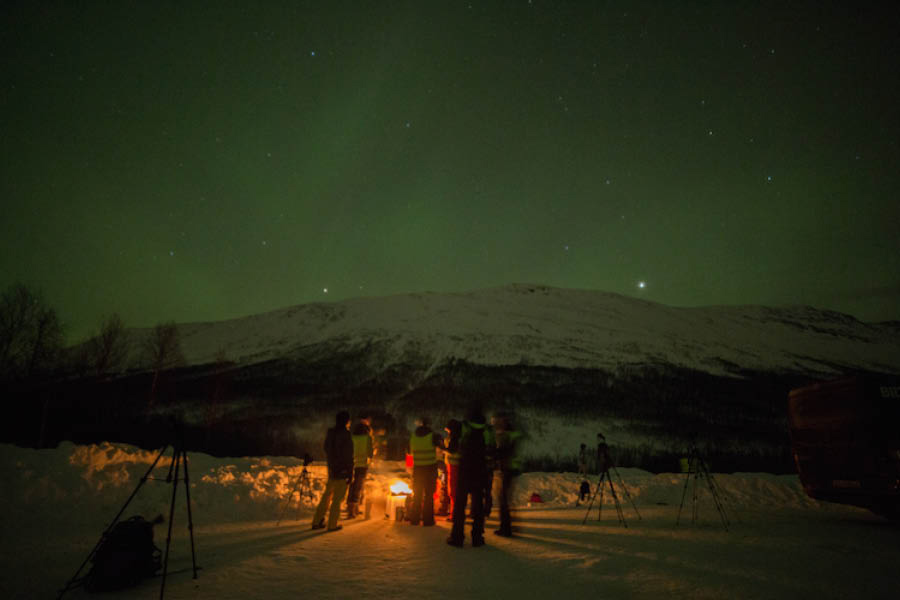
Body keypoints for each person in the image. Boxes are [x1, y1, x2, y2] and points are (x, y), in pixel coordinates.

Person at [447, 406, 490, 548]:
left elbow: (452, 448)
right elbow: (491, 450)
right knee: (478, 506)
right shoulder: (487, 430)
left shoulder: (462, 427)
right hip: (480, 470)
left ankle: (457, 537)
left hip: (465, 470)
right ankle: (477, 538)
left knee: (460, 505)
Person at [312, 411, 354, 532]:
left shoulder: (331, 433)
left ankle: (316, 521)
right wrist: (350, 472)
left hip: (332, 470)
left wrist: (332, 462)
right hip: (342, 471)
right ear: (346, 421)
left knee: (326, 497)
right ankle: (332, 525)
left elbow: (326, 449)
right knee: (337, 500)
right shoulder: (346, 435)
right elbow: (349, 456)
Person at [407, 417, 443, 526]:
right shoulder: (433, 436)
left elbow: (409, 452)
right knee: (428, 495)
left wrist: (409, 467)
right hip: (430, 468)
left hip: (418, 469)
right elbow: (441, 448)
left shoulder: (413, 436)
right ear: (429, 425)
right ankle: (428, 520)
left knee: (417, 494)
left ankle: (414, 520)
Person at [493, 413, 523, 537]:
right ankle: (509, 524)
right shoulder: (512, 435)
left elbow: (503, 452)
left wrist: (492, 454)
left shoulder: (506, 436)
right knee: (506, 498)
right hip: (512, 468)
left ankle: (506, 528)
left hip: (507, 468)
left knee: (503, 499)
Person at [346, 415, 374, 518]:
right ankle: (353, 511)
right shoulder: (368, 438)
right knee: (358, 487)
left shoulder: (352, 437)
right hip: (362, 465)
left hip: (352, 464)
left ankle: (350, 508)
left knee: (352, 486)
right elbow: (370, 453)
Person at [442, 419, 461, 521]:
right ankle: (457, 513)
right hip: (458, 465)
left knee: (453, 492)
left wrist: (442, 448)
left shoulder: (454, 438)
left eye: (448, 430)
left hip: (454, 466)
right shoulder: (460, 437)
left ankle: (454, 515)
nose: (447, 431)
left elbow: (451, 450)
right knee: (456, 491)